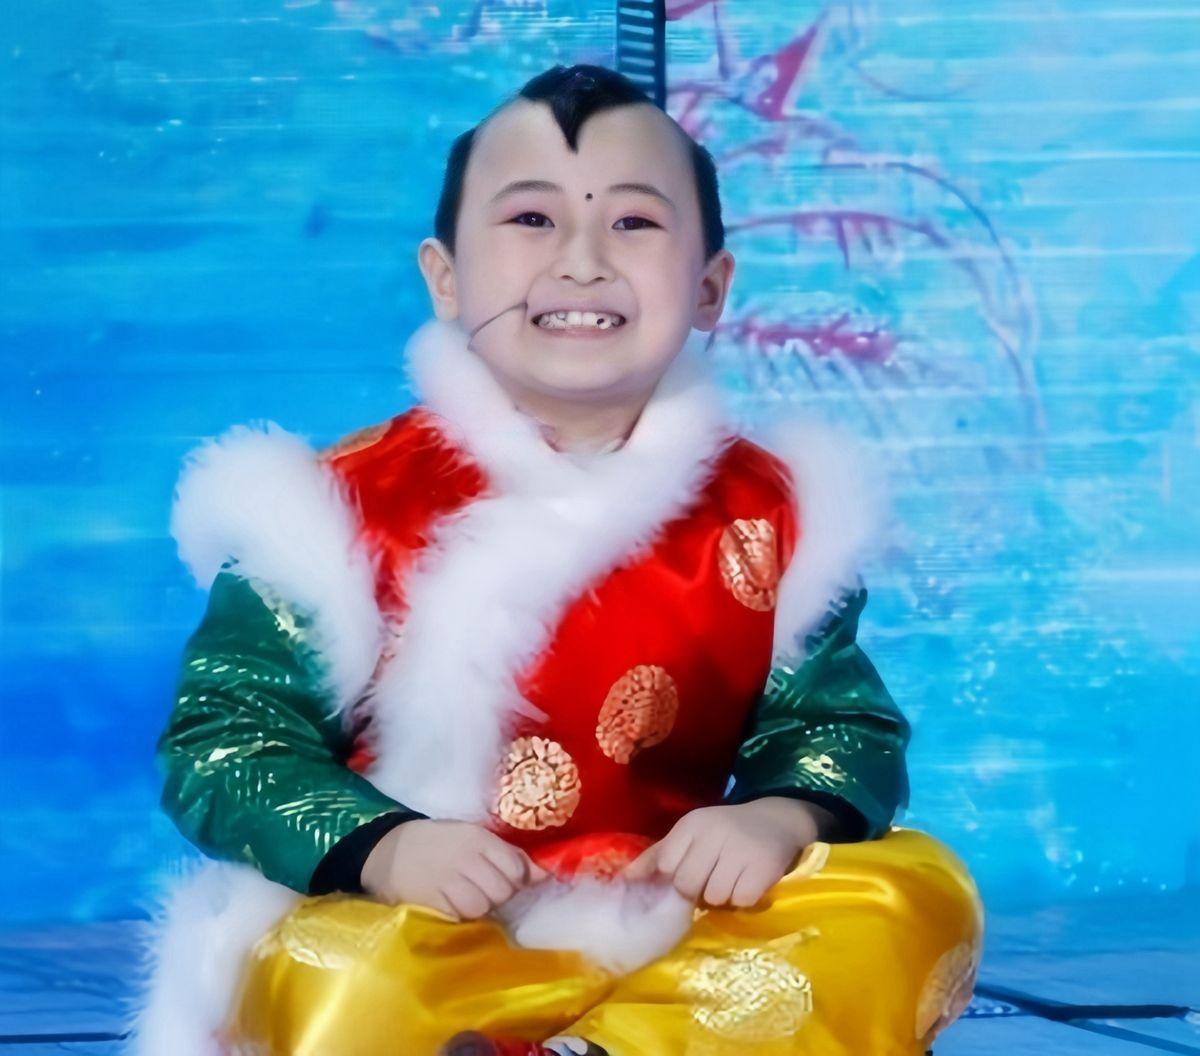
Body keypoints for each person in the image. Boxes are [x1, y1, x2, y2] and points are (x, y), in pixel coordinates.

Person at [128, 64, 984, 1056]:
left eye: (634, 223)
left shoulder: (770, 514)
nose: (582, 262)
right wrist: (384, 847)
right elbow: (225, 740)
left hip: (673, 928)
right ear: (446, 277)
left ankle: (617, 1048)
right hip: (419, 927)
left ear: (711, 287)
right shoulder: (335, 508)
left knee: (913, 895)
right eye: (532, 220)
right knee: (331, 977)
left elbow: (836, 724)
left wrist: (780, 820)